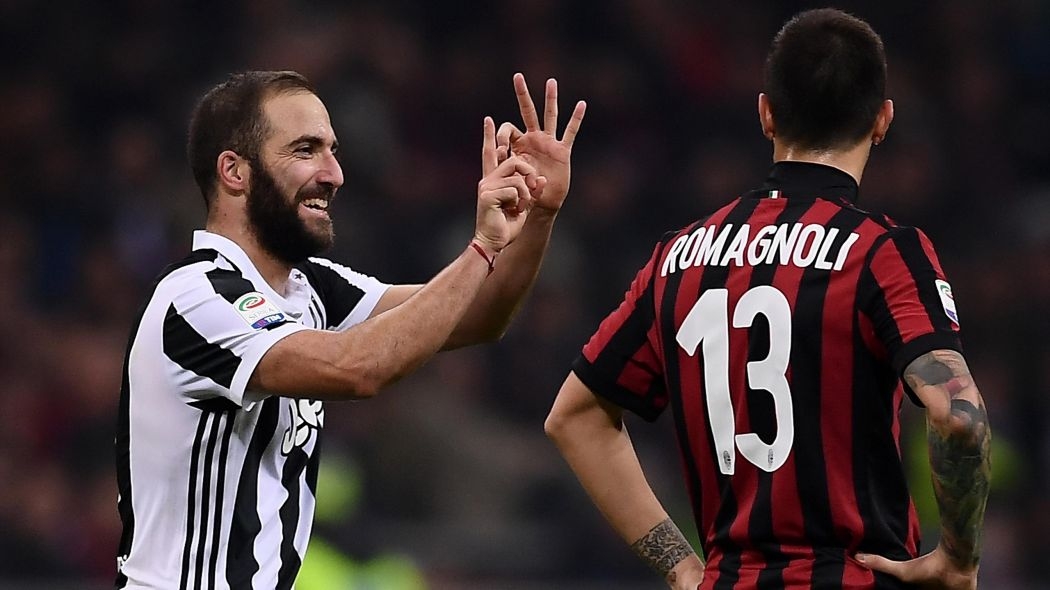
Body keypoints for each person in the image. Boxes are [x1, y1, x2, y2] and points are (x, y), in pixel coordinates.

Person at [545, 8, 990, 590]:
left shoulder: (678, 257)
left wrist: (681, 567)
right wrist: (958, 559)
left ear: (766, 114)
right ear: (882, 120)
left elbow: (574, 416)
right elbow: (958, 416)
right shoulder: (881, 252)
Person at [114, 70, 585, 589]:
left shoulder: (311, 288)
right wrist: (482, 248)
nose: (334, 174)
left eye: (332, 151)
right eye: (305, 150)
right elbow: (357, 368)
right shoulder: (195, 296)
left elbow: (476, 316)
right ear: (235, 171)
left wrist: (537, 214)